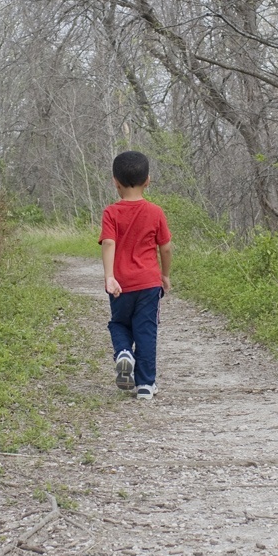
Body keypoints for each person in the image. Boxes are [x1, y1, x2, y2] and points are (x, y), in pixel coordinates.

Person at [99, 151, 172, 400]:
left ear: (115, 181)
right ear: (148, 180)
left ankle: (123, 353)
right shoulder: (155, 212)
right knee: (146, 329)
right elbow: (166, 247)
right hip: (150, 282)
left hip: (121, 284)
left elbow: (108, 242)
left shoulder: (111, 212)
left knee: (119, 323)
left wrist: (110, 276)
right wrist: (165, 274)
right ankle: (145, 385)